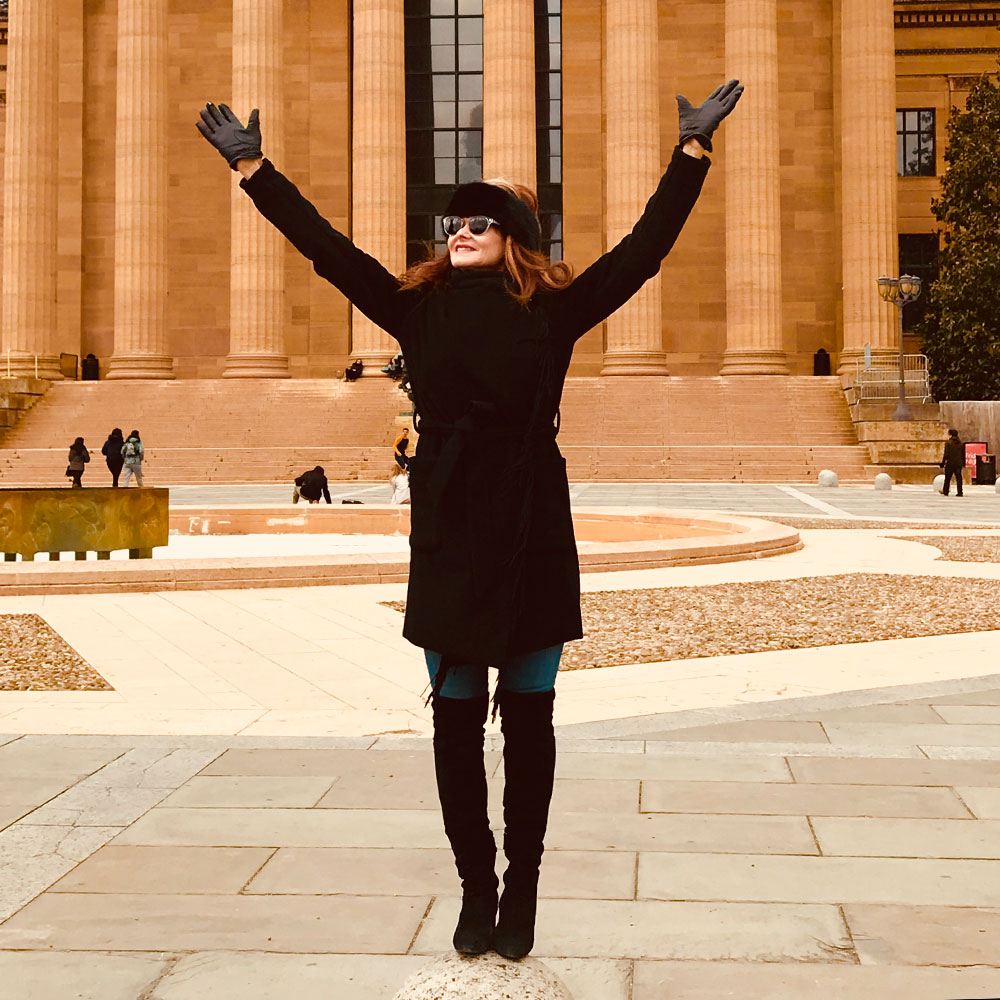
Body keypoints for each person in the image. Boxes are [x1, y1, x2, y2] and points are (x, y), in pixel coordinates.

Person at [197, 78, 741, 960]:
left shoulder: (554, 312)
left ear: (516, 243)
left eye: (480, 222)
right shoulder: (417, 309)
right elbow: (326, 251)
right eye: (454, 221)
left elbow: (643, 252)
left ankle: (523, 884)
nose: (460, 229)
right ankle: (474, 883)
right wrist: (255, 170)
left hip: (530, 522)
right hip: (448, 528)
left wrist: (690, 156)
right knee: (454, 716)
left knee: (529, 718)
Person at [940, 428, 964, 496]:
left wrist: (943, 463)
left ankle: (946, 491)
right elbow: (963, 454)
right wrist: (963, 463)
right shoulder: (960, 443)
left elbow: (946, 455)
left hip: (950, 463)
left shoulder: (948, 443)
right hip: (958, 463)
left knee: (947, 478)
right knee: (959, 478)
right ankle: (960, 492)